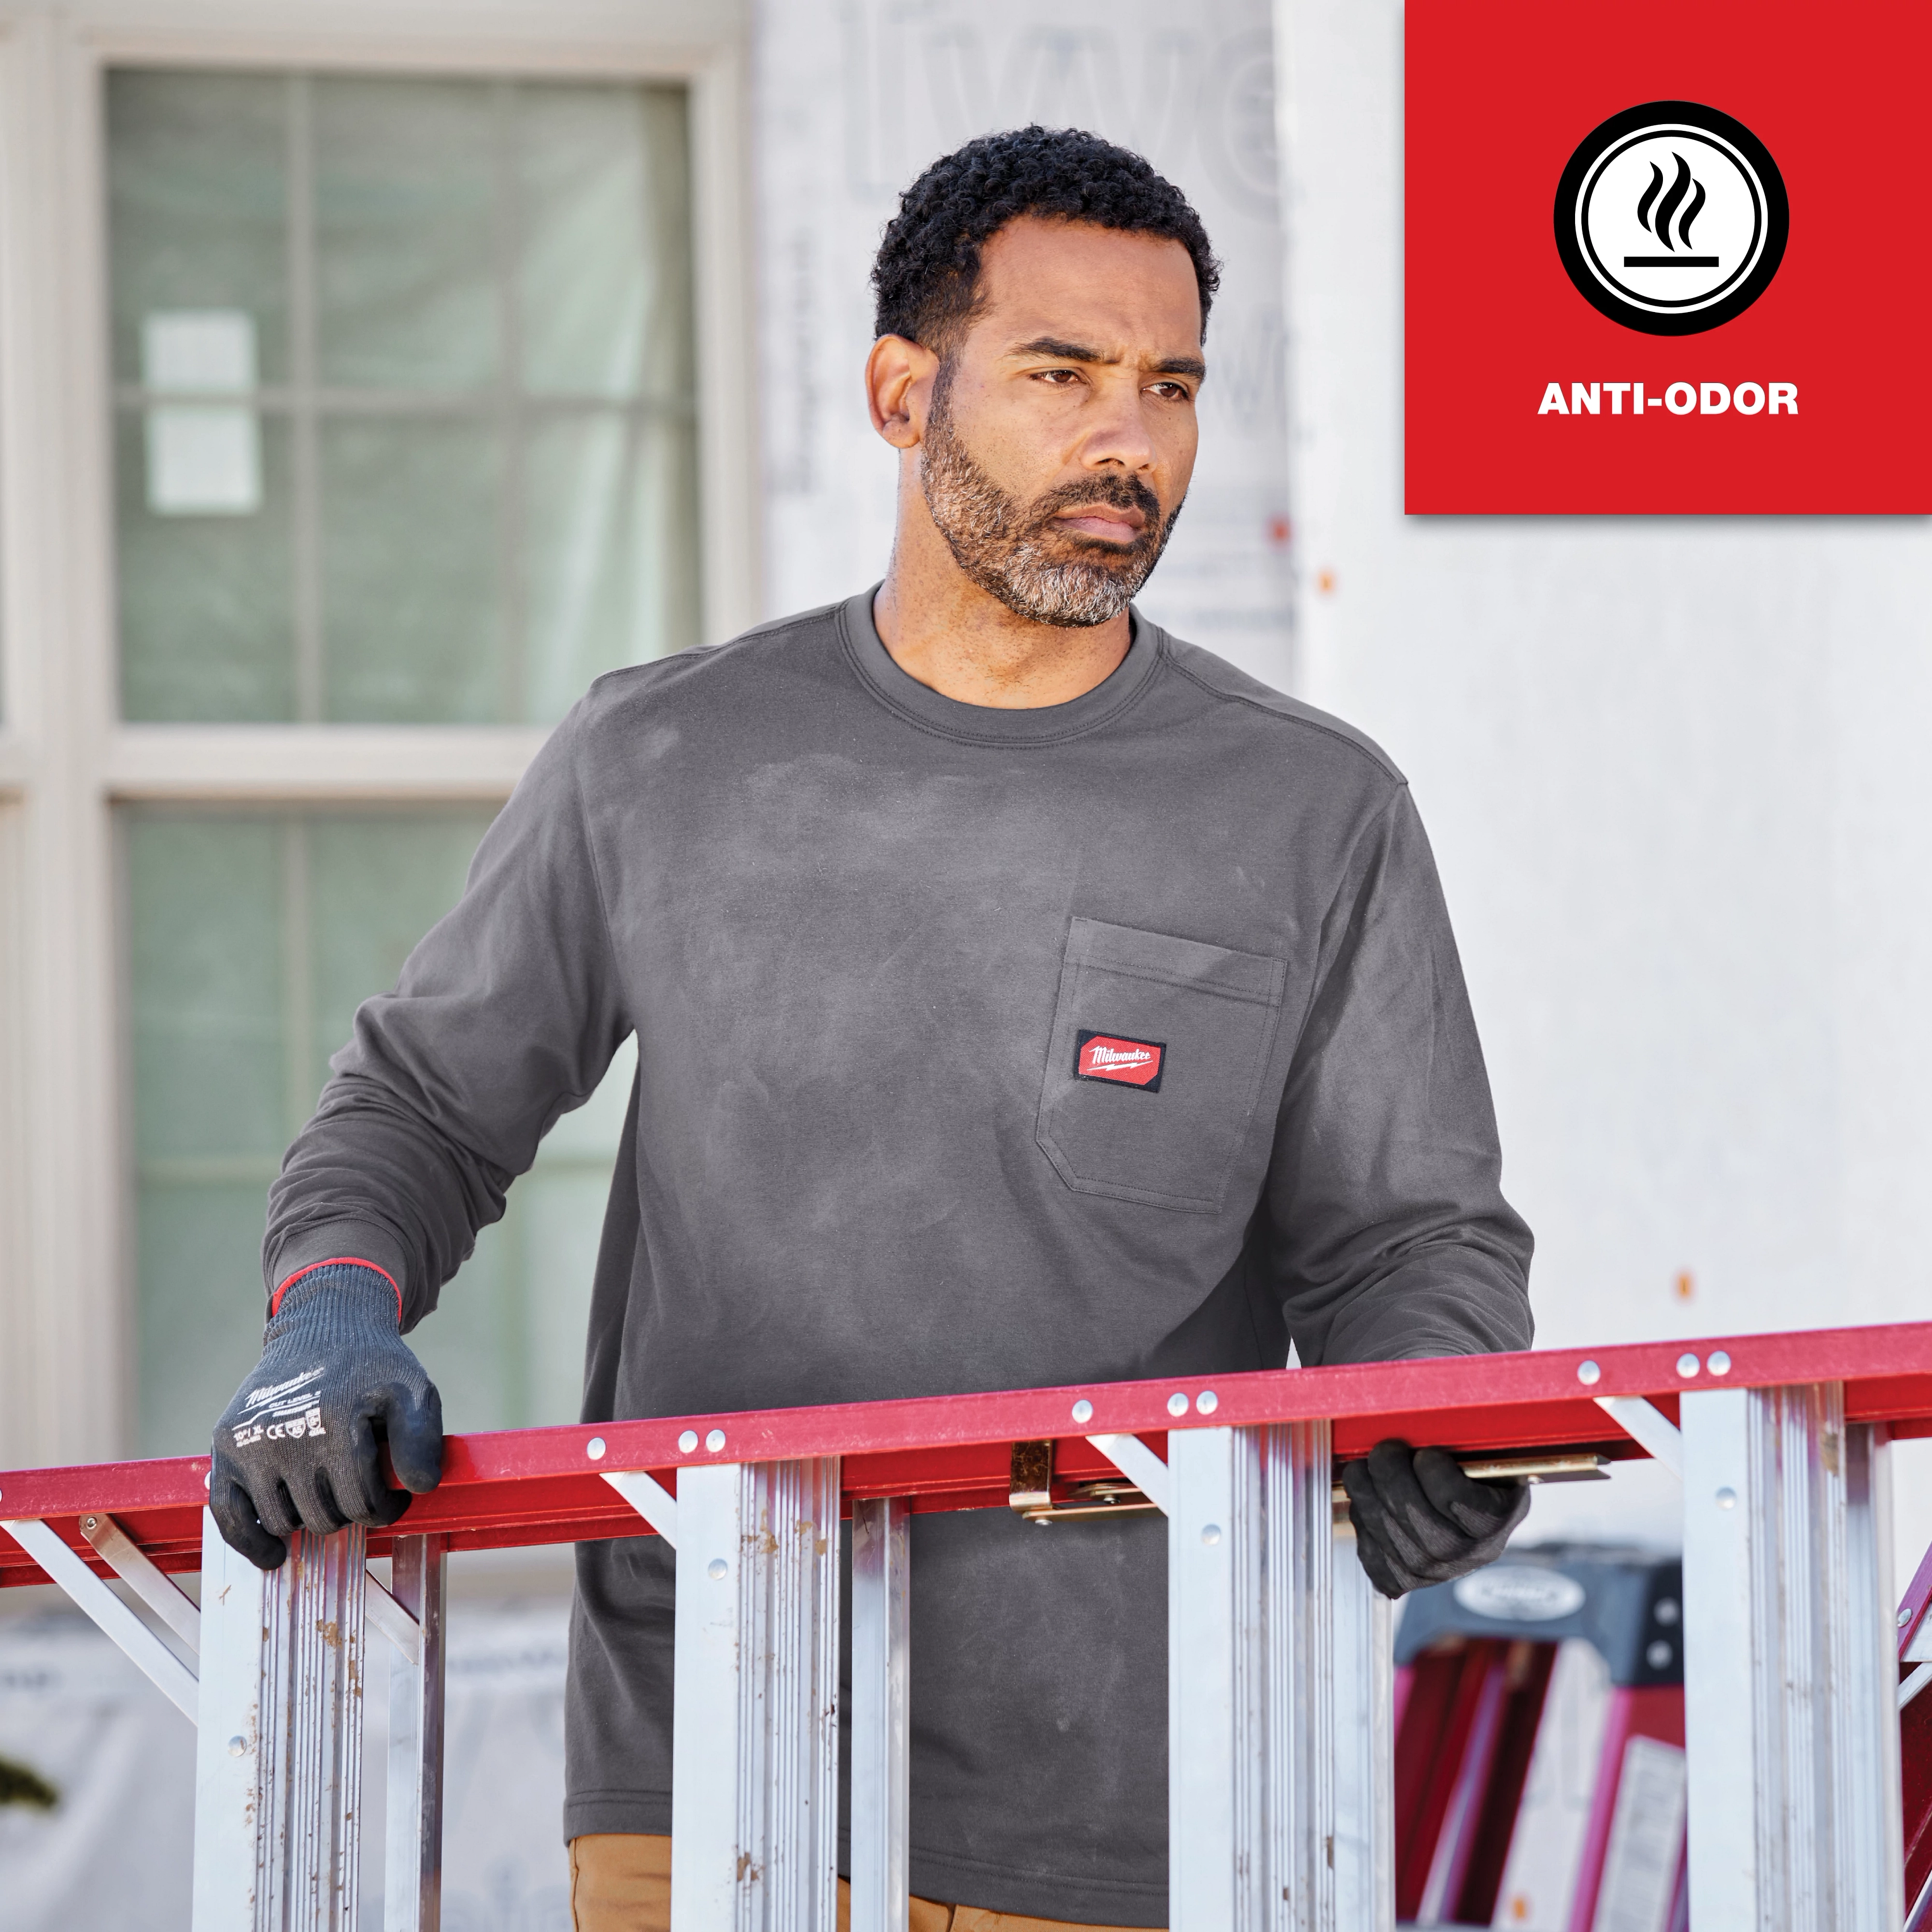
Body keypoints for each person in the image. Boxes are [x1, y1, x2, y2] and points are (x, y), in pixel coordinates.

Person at [211, 127, 1534, 1931]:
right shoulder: (662, 757)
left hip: (1132, 1808)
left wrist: (1434, 1419)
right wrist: (335, 1314)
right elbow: (424, 1107)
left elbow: (1411, 1241)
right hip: (706, 1774)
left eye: (1168, 386)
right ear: (904, 390)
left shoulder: (1312, 810)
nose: (1128, 442)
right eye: (1062, 375)